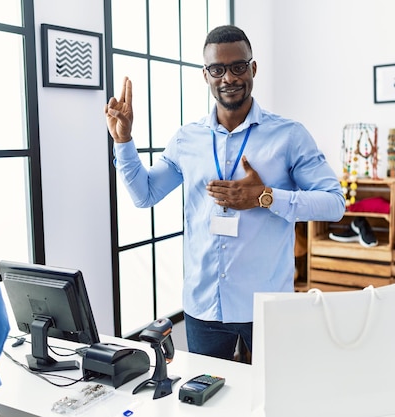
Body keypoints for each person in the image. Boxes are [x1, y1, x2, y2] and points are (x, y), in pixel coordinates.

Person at [105, 25, 345, 361]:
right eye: (217, 69)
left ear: (253, 69)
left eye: (238, 67)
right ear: (206, 75)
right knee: (209, 403)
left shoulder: (289, 136)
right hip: (204, 306)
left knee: (273, 403)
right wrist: (123, 142)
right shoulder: (187, 139)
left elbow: (335, 204)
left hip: (266, 306)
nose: (228, 78)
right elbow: (145, 195)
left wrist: (266, 197)